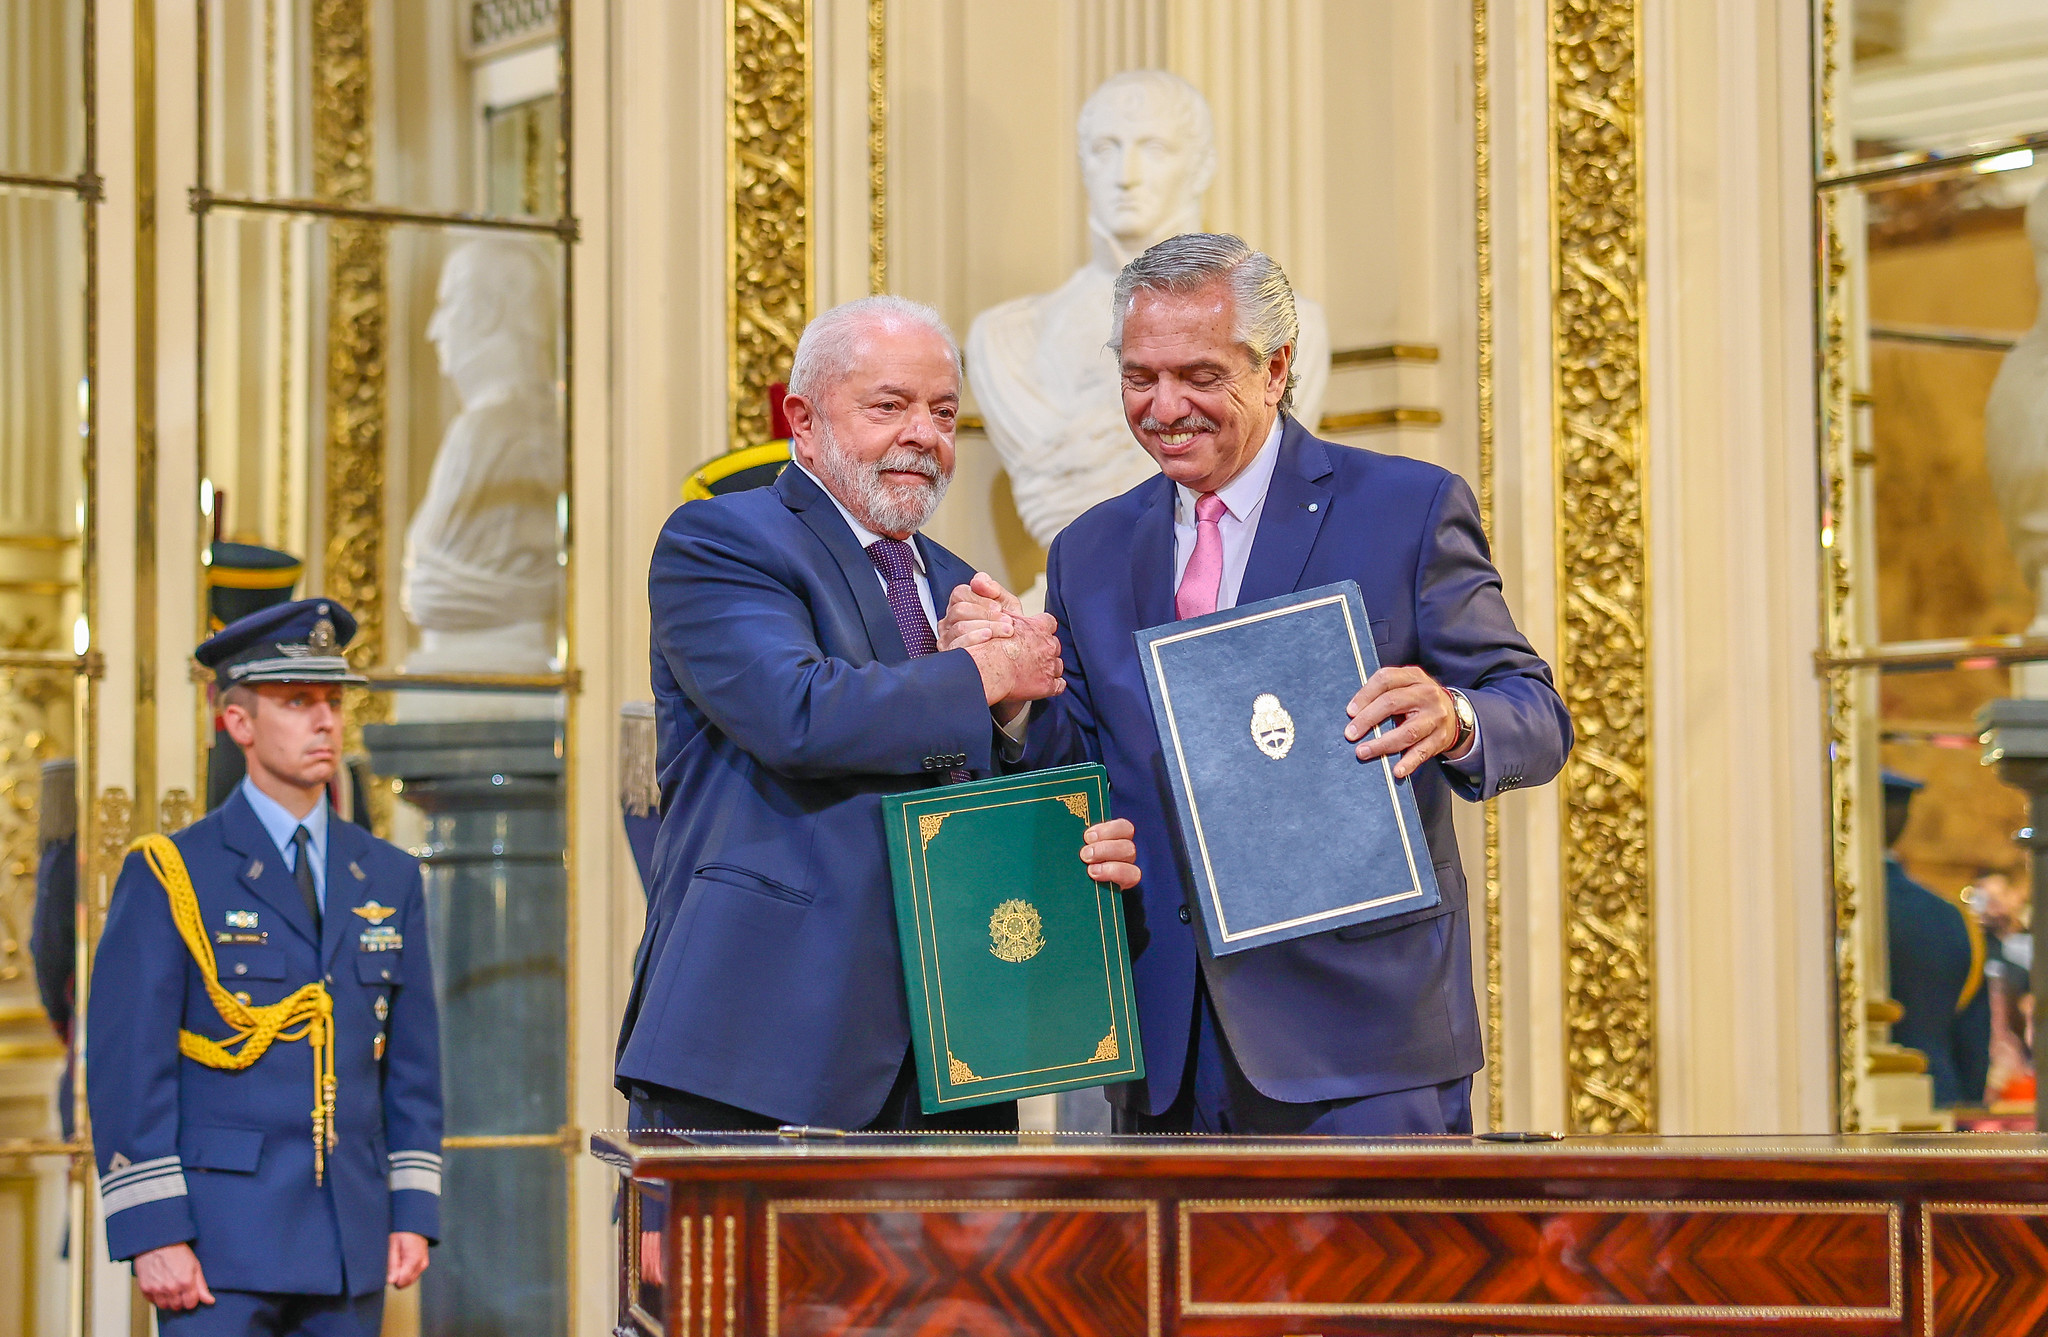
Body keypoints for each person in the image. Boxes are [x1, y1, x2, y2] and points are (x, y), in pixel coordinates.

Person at [952, 233, 1573, 1135]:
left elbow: (1536, 714)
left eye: (1199, 376)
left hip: (1362, 1045)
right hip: (1164, 1049)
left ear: (1276, 368)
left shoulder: (1406, 509)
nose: (1165, 407)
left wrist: (1455, 715)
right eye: (1139, 377)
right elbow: (1079, 764)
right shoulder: (1089, 549)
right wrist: (1014, 699)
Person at [613, 295, 1142, 1140]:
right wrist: (982, 674)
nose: (923, 435)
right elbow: (798, 712)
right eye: (889, 405)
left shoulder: (963, 585)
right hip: (760, 1049)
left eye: (944, 413)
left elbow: (1047, 787)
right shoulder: (721, 542)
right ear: (804, 421)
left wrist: (1014, 711)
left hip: (957, 1057)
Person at [87, 599, 443, 1337]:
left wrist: (412, 1209)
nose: (325, 722)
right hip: (218, 1244)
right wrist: (154, 1229)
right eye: (296, 702)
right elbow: (130, 1065)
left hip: (349, 1236)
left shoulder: (387, 874)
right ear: (239, 723)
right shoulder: (174, 872)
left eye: (332, 701)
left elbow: (412, 1065)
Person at [1882, 771, 1991, 1107]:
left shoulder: (1821, 907)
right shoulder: (1951, 918)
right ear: (1905, 819)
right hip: (1937, 1100)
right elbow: (1972, 1041)